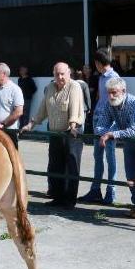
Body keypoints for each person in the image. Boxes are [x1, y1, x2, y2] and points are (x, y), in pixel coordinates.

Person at [22, 62, 85, 209]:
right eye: (57, 74)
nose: (60, 77)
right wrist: (31, 124)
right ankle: (57, 197)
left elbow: (75, 108)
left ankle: (69, 201)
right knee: (55, 166)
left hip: (72, 132)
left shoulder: (74, 86)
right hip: (55, 132)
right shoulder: (50, 87)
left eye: (63, 73)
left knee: (71, 167)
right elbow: (43, 108)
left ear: (69, 73)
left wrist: (73, 125)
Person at [94, 77, 135, 219]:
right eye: (108, 93)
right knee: (130, 175)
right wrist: (106, 133)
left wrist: (110, 134)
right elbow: (99, 127)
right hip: (129, 142)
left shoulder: (133, 102)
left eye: (114, 92)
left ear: (124, 91)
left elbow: (134, 130)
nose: (111, 96)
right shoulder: (109, 104)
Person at [79, 48, 120, 205]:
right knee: (98, 157)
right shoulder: (102, 77)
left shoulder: (113, 78)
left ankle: (111, 192)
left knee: (110, 157)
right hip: (99, 120)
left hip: (109, 122)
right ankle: (96, 190)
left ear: (98, 63)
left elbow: (117, 103)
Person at [0, 62, 24, 148]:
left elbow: (18, 112)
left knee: (11, 159)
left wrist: (3, 124)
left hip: (9, 132)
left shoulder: (15, 89)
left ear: (4, 74)